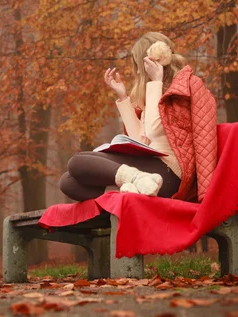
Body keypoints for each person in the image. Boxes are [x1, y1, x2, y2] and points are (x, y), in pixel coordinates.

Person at [59, 31, 218, 203]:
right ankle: (133, 188)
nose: (136, 70)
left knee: (77, 161)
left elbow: (204, 140)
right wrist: (123, 98)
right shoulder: (148, 92)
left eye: (138, 64)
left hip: (170, 174)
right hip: (147, 165)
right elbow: (141, 140)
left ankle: (134, 183)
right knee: (68, 181)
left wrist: (205, 197)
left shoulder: (190, 84)